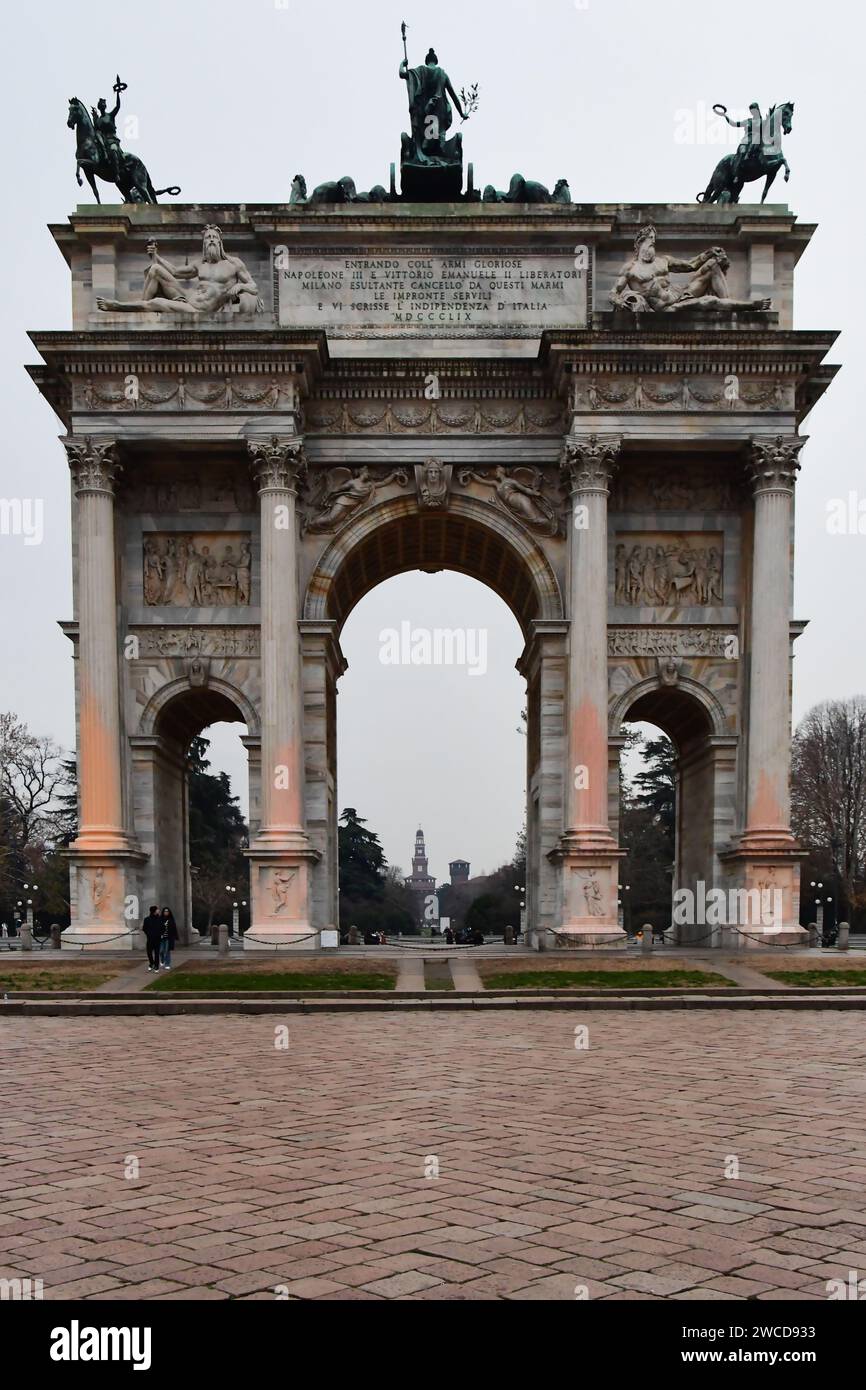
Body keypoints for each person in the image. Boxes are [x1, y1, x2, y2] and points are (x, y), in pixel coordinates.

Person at [143, 906, 163, 973]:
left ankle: (156, 966)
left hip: (157, 939)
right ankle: (151, 963)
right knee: (149, 952)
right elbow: (144, 928)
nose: (158, 910)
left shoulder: (160, 919)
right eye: (157, 909)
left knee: (157, 953)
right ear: (154, 911)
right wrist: (148, 934)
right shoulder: (147, 919)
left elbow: (162, 928)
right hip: (150, 938)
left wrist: (160, 934)